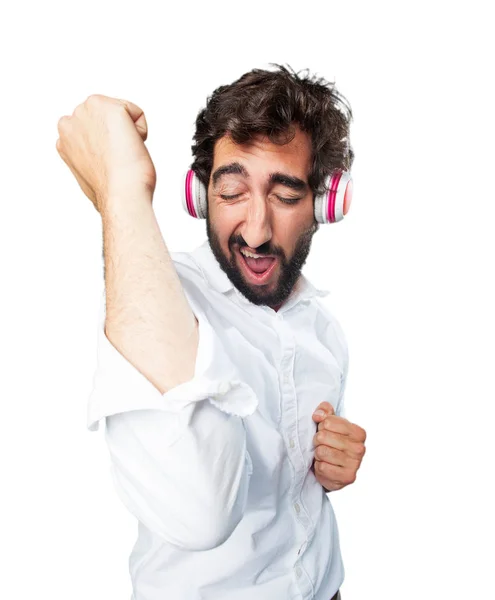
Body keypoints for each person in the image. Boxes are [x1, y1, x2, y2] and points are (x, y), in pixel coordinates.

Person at [56, 64, 367, 600]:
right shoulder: (156, 300)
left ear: (324, 203)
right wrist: (123, 190)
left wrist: (330, 464)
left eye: (287, 196)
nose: (256, 230)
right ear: (199, 196)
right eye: (230, 192)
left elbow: (293, 478)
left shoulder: (324, 329)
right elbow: (199, 512)